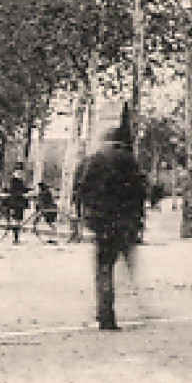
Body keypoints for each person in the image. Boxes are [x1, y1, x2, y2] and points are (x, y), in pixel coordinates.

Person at [77, 110, 148, 331]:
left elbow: (81, 189)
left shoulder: (94, 161)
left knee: (104, 268)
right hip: (125, 223)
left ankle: (106, 315)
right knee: (127, 263)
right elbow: (140, 193)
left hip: (102, 223)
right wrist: (138, 220)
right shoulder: (131, 162)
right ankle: (137, 304)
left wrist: (86, 214)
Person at [2, 164, 30, 244]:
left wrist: (30, 190)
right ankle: (15, 239)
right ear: (15, 172)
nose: (19, 172)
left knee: (19, 220)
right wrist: (23, 194)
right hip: (15, 202)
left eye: (20, 171)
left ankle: (17, 238)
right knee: (16, 220)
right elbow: (14, 192)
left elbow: (22, 189)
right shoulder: (13, 180)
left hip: (19, 202)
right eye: (18, 171)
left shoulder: (20, 180)